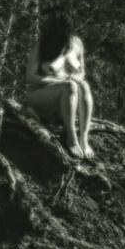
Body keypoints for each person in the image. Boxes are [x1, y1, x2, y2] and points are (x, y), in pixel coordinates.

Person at [25, 10, 95, 159]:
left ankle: (84, 138)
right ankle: (71, 138)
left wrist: (77, 77)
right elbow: (30, 76)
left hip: (69, 97)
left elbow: (82, 72)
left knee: (84, 85)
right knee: (70, 86)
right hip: (40, 96)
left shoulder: (77, 43)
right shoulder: (42, 43)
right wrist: (60, 82)